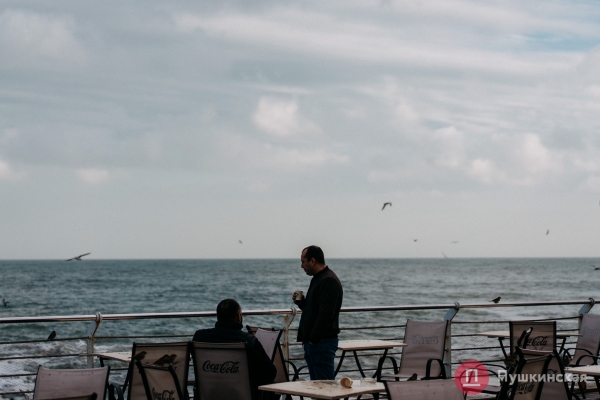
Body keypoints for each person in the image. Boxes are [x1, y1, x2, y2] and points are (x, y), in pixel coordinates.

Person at [193, 298, 277, 399]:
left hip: (208, 395)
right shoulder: (248, 341)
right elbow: (270, 374)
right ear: (239, 316)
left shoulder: (199, 337)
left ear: (218, 316)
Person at [292, 245, 343, 380]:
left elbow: (326, 314)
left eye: (303, 262)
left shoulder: (328, 280)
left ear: (312, 261)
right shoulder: (319, 278)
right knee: (317, 385)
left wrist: (313, 339)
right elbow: (315, 309)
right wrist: (302, 303)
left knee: (324, 386)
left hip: (321, 343)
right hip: (316, 343)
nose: (302, 266)